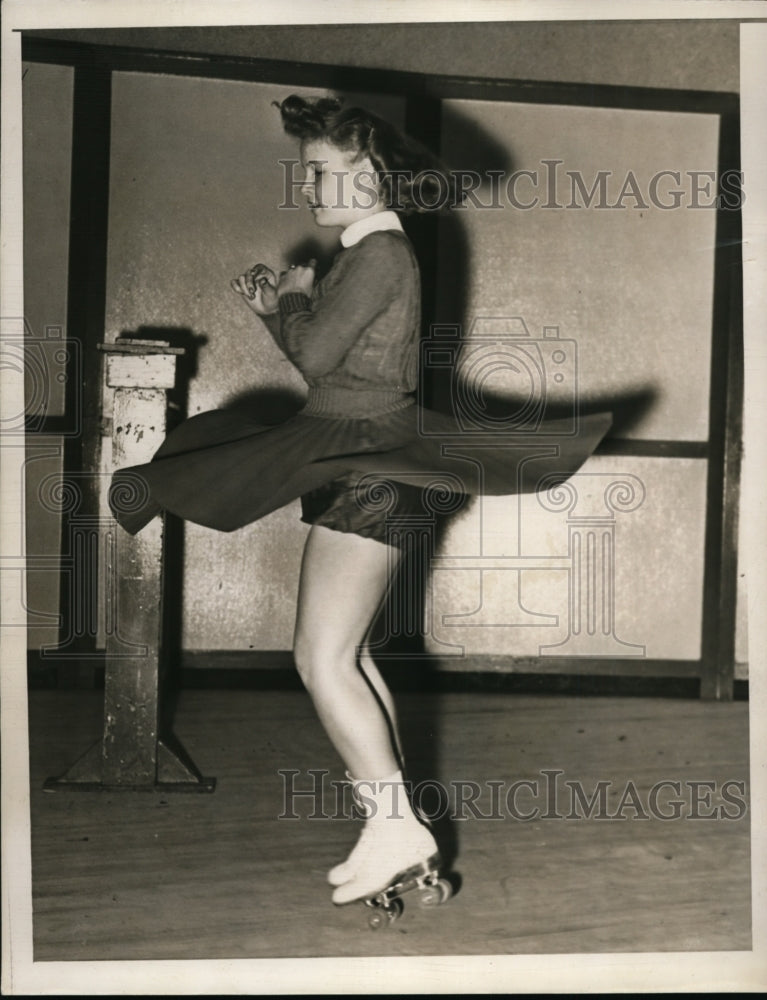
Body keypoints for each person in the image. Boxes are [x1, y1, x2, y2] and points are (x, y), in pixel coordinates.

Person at [110, 94, 613, 908]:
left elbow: (313, 347)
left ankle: (392, 825)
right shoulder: (372, 252)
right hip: (359, 456)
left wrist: (293, 299)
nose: (306, 184)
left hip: (371, 468)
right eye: (304, 168)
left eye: (318, 169)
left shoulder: (377, 253)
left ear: (370, 172)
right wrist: (278, 306)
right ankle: (393, 817)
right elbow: (328, 371)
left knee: (319, 656)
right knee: (347, 653)